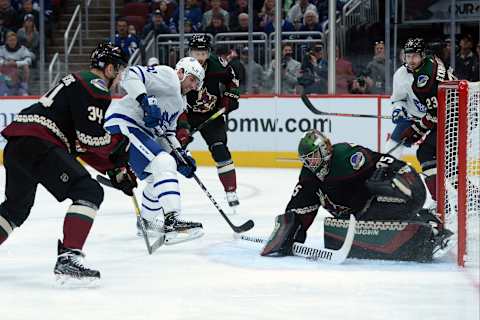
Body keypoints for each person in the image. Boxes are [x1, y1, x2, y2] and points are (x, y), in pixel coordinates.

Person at [0, 42, 132, 283]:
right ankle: (69, 257)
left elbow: (81, 145)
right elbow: (91, 138)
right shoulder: (97, 87)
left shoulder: (78, 81)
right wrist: (117, 147)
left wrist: (114, 170)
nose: (120, 76)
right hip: (41, 143)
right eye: (120, 70)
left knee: (15, 209)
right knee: (88, 191)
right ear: (110, 68)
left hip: (19, 143)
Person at [261, 129, 453, 259]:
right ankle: (422, 227)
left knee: (384, 189)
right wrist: (286, 235)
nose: (312, 164)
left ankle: (430, 229)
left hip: (375, 204)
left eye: (314, 158)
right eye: (307, 160)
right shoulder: (308, 179)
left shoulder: (346, 155)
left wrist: (397, 178)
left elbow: (385, 162)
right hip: (354, 217)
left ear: (326, 150)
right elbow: (298, 212)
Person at [104, 56, 205, 244]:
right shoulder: (169, 76)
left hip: (138, 131)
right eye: (192, 80)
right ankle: (172, 222)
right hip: (123, 123)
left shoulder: (179, 103)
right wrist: (144, 101)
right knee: (164, 162)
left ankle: (147, 223)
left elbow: (166, 133)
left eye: (197, 84)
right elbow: (130, 75)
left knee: (157, 177)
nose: (193, 86)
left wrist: (183, 155)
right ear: (181, 72)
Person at [176, 34, 241, 209]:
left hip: (212, 114)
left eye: (203, 52)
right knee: (172, 152)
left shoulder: (218, 64)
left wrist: (229, 99)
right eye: (196, 52)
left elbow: (232, 82)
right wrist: (182, 126)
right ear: (190, 52)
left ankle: (230, 190)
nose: (200, 57)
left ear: (209, 52)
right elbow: (175, 98)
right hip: (186, 115)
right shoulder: (182, 68)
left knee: (220, 149)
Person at [388, 38, 448, 206]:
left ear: (422, 55)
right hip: (416, 116)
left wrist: (418, 129)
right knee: (391, 151)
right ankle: (388, 189)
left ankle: (445, 200)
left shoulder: (428, 75)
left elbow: (435, 113)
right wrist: (398, 110)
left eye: (415, 56)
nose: (411, 60)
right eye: (408, 56)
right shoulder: (400, 74)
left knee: (435, 157)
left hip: (439, 118)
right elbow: (397, 99)